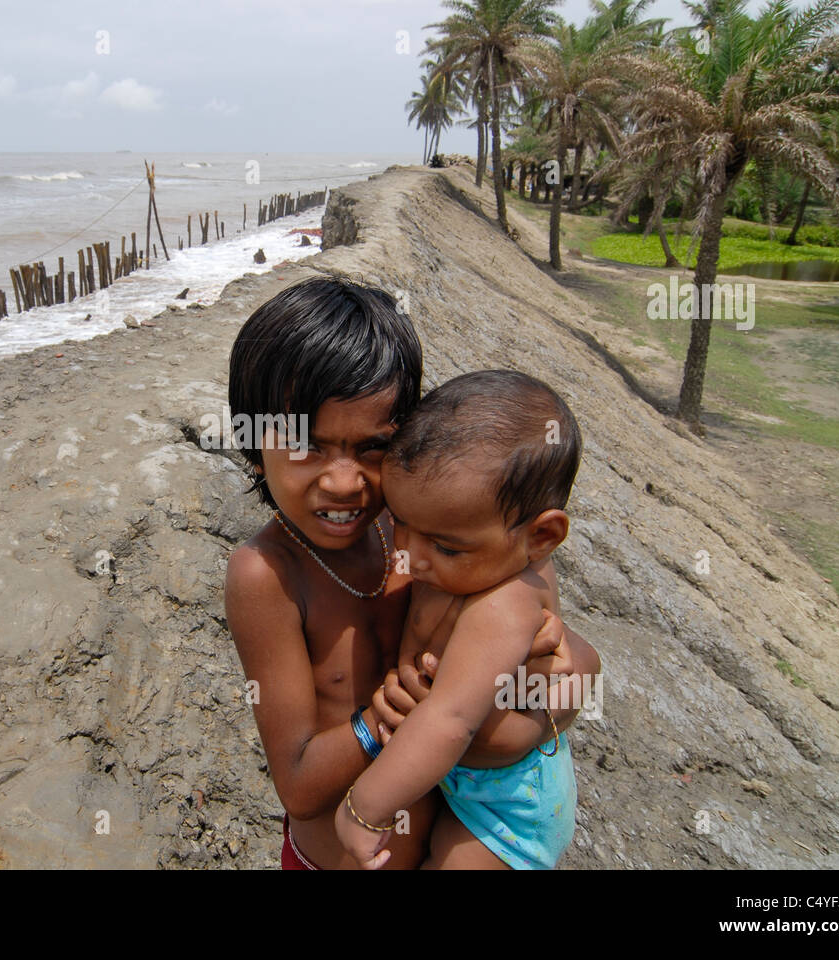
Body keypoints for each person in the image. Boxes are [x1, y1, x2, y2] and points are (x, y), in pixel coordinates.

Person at [222, 277, 600, 869]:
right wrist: (381, 720)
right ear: (251, 438)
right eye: (306, 447)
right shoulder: (267, 575)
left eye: (372, 448)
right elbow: (296, 785)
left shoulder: (428, 533)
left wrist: (560, 663)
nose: (344, 482)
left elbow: (562, 681)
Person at [334, 369, 586, 870]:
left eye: (445, 546)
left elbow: (450, 720)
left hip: (505, 812)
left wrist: (363, 811)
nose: (411, 554)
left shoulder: (506, 602)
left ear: (541, 537)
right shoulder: (467, 540)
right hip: (460, 782)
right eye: (401, 523)